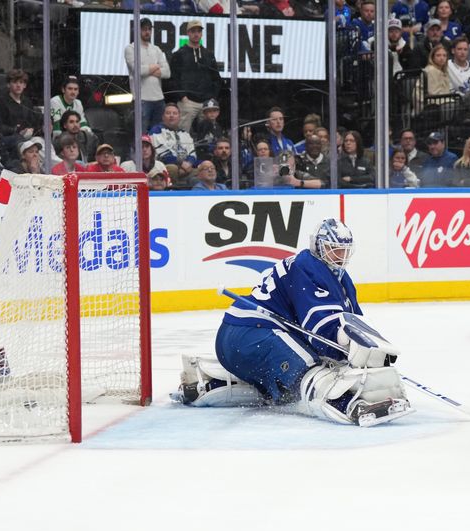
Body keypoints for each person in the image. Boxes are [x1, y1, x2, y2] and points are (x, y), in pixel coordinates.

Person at [173, 218, 413, 428]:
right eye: (333, 249)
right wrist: (350, 351)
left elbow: (351, 320)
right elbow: (321, 324)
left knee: (283, 389)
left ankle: (210, 383)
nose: (339, 256)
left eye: (343, 250)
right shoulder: (308, 267)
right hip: (254, 333)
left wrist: (367, 350)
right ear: (318, 246)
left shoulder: (335, 275)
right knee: (310, 368)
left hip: (237, 339)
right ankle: (346, 402)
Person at [168, 19, 222, 132]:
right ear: (188, 33)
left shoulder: (208, 54)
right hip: (187, 102)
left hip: (207, 103)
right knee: (182, 134)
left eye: (198, 31)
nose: (196, 34)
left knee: (208, 135)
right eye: (193, 31)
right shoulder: (179, 54)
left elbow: (216, 78)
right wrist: (183, 97)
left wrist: (212, 98)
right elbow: (174, 78)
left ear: (202, 33)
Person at [124, 17, 170, 134]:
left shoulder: (156, 49)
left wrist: (147, 68)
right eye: (144, 29)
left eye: (149, 29)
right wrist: (156, 66)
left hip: (159, 98)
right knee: (141, 135)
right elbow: (138, 71)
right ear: (137, 30)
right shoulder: (131, 48)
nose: (147, 32)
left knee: (158, 135)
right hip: (141, 98)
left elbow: (167, 73)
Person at [148, 103, 198, 184]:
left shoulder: (185, 134)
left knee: (205, 167)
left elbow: (192, 153)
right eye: (168, 113)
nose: (171, 115)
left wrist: (189, 164)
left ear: (179, 117)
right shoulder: (156, 131)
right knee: (172, 168)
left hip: (185, 167)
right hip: (165, 166)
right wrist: (182, 163)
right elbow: (163, 155)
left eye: (175, 113)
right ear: (163, 117)